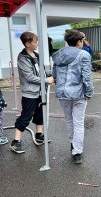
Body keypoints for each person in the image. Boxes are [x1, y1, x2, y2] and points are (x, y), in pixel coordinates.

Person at [52, 30, 93, 164]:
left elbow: (55, 74)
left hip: (62, 93)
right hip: (78, 93)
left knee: (69, 121)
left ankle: (73, 144)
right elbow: (87, 77)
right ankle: (77, 152)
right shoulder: (84, 55)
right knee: (79, 123)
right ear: (78, 42)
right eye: (81, 41)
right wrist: (89, 92)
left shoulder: (57, 55)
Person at [10, 32, 54, 154]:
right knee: (26, 116)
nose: (37, 43)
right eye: (35, 41)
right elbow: (29, 77)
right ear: (28, 43)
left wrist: (50, 75)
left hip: (41, 91)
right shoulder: (22, 58)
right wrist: (46, 80)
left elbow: (43, 71)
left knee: (40, 113)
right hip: (30, 93)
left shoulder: (37, 55)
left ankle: (39, 135)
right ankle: (16, 141)